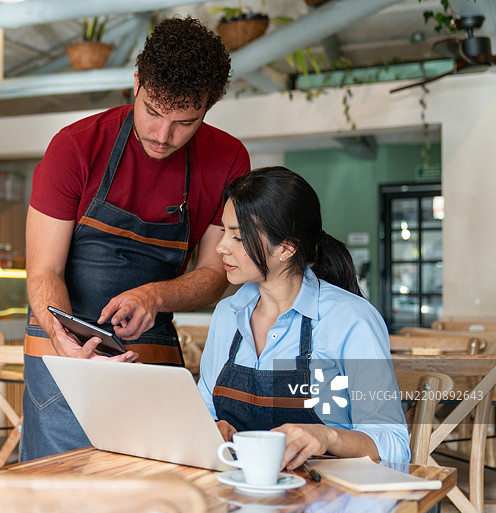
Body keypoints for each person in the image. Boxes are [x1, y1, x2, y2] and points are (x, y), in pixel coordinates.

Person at [22, 16, 250, 461]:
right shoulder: (75, 147)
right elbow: (43, 270)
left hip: (150, 356)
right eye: (152, 112)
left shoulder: (228, 159)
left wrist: (155, 296)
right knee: (60, 491)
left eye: (184, 122)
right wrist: (64, 340)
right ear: (136, 84)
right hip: (63, 353)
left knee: (153, 488)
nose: (162, 136)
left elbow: (215, 275)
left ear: (210, 106)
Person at [198, 166, 410, 469]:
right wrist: (213, 427)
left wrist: (328, 437)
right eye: (223, 231)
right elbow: (204, 412)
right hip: (236, 487)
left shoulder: (350, 320)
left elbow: (394, 445)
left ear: (286, 248)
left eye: (238, 237)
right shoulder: (227, 315)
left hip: (329, 492)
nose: (221, 247)